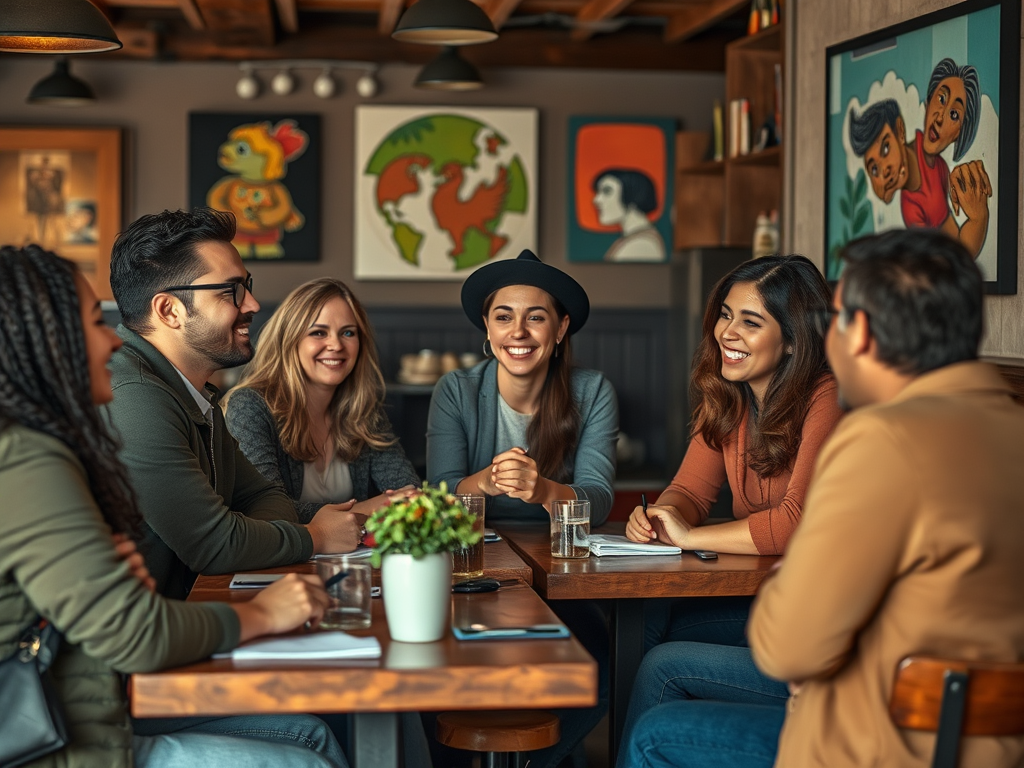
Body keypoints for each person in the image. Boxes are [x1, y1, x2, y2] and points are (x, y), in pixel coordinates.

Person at [625, 229, 1024, 768]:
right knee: (661, 628)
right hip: (979, 739)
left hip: (874, 736)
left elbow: (789, 645)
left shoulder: (880, 437)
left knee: (655, 723)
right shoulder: (1009, 426)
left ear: (859, 333)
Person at [0, 245, 347, 768]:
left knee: (314, 734)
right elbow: (137, 629)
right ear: (43, 345)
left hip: (91, 704)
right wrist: (264, 614)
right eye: (95, 323)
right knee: (308, 754)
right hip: (64, 737)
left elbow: (256, 500)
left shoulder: (173, 401)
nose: (109, 342)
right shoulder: (29, 457)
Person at [105, 208, 362, 600]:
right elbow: (215, 545)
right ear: (169, 310)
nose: (253, 304)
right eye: (231, 291)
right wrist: (315, 536)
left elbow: (265, 498)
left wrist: (245, 537)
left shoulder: (192, 391)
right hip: (126, 650)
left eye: (247, 286)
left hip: (190, 620)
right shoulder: (132, 396)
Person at [426, 248, 618, 768]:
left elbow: (598, 497)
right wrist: (485, 481)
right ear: (487, 331)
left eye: (536, 317)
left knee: (604, 665)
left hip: (559, 573)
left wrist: (544, 492)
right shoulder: (456, 390)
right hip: (472, 569)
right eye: (503, 317)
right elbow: (439, 492)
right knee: (441, 669)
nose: (519, 332)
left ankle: (538, 761)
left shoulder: (592, 390)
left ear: (560, 329)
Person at [627, 255, 842, 648]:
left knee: (657, 649)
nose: (727, 332)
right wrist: (662, 515)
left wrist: (689, 536)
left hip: (820, 612)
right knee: (640, 623)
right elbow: (689, 492)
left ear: (794, 340)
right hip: (763, 592)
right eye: (726, 315)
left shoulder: (828, 398)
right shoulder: (732, 398)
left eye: (750, 322)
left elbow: (798, 524)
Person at [223, 277, 419, 523]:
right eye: (318, 332)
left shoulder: (364, 410)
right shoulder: (250, 407)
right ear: (290, 340)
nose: (336, 345)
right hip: (284, 561)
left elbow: (410, 494)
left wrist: (388, 505)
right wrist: (371, 508)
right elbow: (268, 511)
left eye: (348, 332)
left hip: (353, 561)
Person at [848, 58, 991, 257]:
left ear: (900, 129)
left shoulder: (937, 164)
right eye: (874, 169)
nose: (940, 117)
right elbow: (956, 258)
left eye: (886, 148)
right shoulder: (912, 209)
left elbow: (955, 246)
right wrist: (978, 218)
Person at [591, 168, 666, 262]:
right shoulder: (632, 238)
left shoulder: (641, 244)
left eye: (607, 192)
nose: (596, 200)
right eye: (598, 192)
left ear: (633, 196)